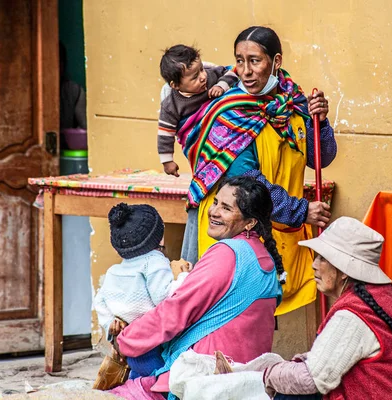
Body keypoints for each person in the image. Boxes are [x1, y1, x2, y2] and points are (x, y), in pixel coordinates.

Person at [179, 26, 337, 315]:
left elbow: (320, 158)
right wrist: (302, 211)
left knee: (264, 306)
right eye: (239, 61)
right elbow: (248, 185)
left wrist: (321, 123)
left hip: (278, 223)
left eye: (255, 60)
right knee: (233, 315)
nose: (245, 71)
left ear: (276, 62)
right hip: (233, 230)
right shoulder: (231, 113)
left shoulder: (294, 102)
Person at [107, 176, 283, 399]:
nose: (214, 211)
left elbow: (175, 311)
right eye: (216, 202)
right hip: (245, 377)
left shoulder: (228, 253)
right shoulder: (262, 256)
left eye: (226, 208)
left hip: (205, 378)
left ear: (250, 223)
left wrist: (125, 341)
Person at [262, 217, 392, 400]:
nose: (314, 265)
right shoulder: (386, 294)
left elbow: (312, 380)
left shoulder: (352, 315)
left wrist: (268, 374)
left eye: (322, 259)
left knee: (291, 394)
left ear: (343, 270)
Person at [93, 203, 190, 378]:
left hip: (128, 342)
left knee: (138, 379)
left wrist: (110, 325)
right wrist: (183, 277)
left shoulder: (114, 271)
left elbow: (99, 301)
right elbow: (164, 297)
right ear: (160, 238)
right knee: (161, 380)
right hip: (151, 344)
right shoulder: (154, 261)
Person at [157, 44, 238, 177]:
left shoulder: (211, 76)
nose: (202, 76)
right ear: (175, 85)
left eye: (201, 69)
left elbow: (231, 72)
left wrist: (221, 85)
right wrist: (167, 161)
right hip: (201, 146)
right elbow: (165, 134)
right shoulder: (171, 106)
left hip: (226, 137)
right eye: (195, 77)